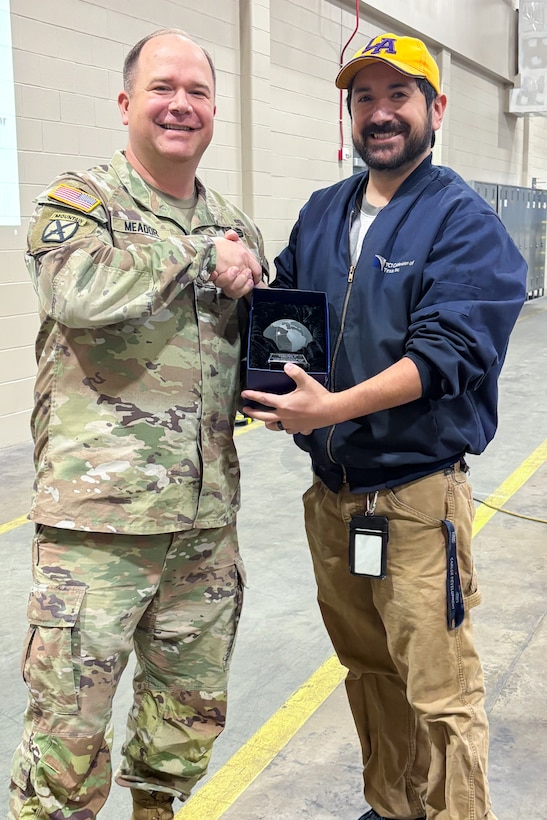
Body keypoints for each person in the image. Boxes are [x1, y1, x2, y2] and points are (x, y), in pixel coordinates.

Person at [242, 32, 527, 820]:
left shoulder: (462, 221)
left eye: (398, 95)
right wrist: (265, 372)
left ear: (434, 108)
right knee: (367, 671)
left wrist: (327, 408)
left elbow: (447, 353)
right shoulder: (323, 211)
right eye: (364, 97)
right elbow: (286, 319)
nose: (380, 113)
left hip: (412, 500)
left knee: (439, 690)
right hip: (332, 497)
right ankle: (392, 806)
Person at [9, 28, 267, 820]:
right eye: (162, 88)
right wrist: (197, 259)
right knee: (67, 739)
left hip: (202, 527)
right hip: (97, 533)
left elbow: (253, 347)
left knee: (181, 725)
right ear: (127, 104)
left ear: (214, 111)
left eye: (196, 91)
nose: (179, 105)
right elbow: (77, 297)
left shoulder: (234, 225)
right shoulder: (81, 204)